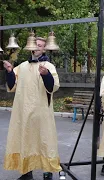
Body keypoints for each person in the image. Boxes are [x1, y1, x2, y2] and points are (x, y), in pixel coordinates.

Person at [2, 37, 61, 180]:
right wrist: (10, 71)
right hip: (24, 113)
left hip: (41, 113)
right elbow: (12, 86)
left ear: (44, 49)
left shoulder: (49, 66)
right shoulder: (21, 67)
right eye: (35, 45)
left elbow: (53, 87)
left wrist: (46, 75)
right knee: (26, 140)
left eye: (40, 46)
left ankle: (47, 173)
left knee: (44, 141)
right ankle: (27, 173)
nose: (37, 48)